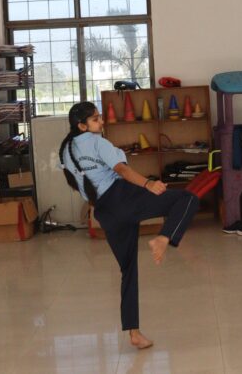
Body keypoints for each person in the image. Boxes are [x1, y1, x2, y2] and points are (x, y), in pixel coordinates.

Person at [59, 102, 199, 350]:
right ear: (82, 126)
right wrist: (148, 184)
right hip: (123, 196)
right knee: (188, 199)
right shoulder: (97, 142)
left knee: (128, 271)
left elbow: (76, 183)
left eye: (100, 117)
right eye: (95, 119)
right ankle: (164, 238)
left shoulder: (66, 152)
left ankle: (134, 333)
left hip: (104, 212)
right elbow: (122, 170)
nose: (101, 122)